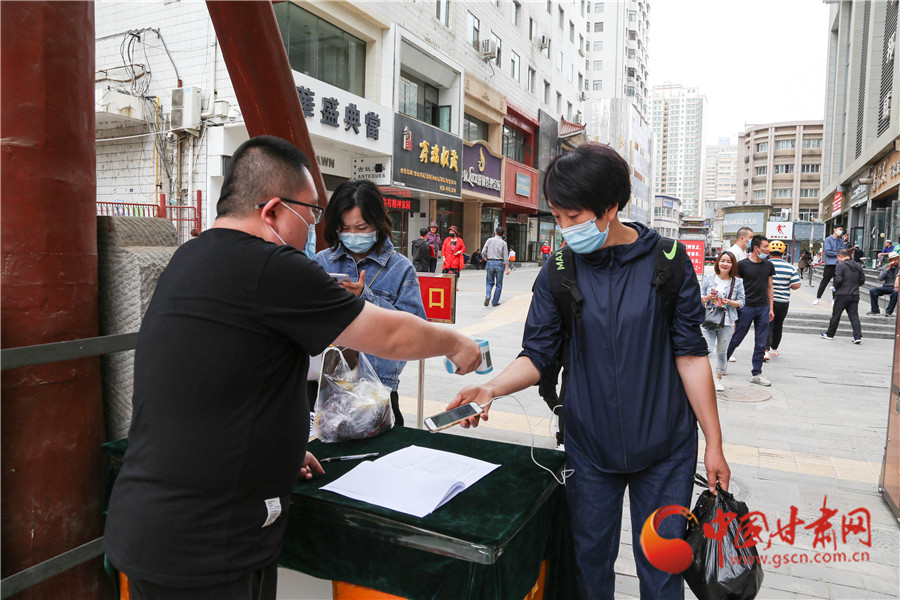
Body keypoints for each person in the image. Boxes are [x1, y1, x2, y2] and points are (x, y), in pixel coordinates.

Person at [102, 136, 482, 600]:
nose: (314, 229)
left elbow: (216, 382)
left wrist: (277, 448)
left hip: (155, 522)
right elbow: (390, 336)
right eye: (311, 214)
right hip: (208, 543)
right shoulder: (271, 266)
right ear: (273, 210)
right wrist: (455, 342)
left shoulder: (191, 256)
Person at [445, 142, 730, 599]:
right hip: (589, 449)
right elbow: (537, 355)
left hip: (666, 448)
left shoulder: (669, 262)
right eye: (557, 217)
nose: (564, 228)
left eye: (573, 216)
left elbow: (691, 356)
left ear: (610, 207)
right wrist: (490, 389)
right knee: (587, 565)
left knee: (662, 570)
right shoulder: (559, 271)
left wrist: (714, 443)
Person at [314, 179, 429, 426]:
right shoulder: (321, 262)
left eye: (361, 227)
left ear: (378, 223)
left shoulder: (400, 269)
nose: (353, 235)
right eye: (345, 228)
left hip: (378, 389)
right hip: (325, 387)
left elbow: (416, 330)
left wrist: (365, 298)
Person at [726, 235, 775, 387]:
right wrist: (733, 306)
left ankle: (757, 373)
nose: (768, 249)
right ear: (756, 248)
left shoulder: (768, 266)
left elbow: (770, 287)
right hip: (745, 307)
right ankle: (722, 363)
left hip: (763, 307)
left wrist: (771, 308)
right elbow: (734, 286)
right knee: (737, 338)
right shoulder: (742, 265)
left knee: (761, 343)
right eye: (765, 246)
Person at [700, 251, 745, 392]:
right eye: (722, 260)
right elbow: (699, 298)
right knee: (706, 351)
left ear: (733, 265)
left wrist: (729, 302)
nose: (725, 264)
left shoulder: (737, 282)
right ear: (718, 262)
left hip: (727, 321)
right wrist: (708, 297)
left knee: (721, 352)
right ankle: (705, 380)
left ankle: (718, 379)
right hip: (708, 319)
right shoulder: (708, 278)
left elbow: (742, 302)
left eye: (729, 262)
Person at [764, 240, 802, 361]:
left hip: (767, 300)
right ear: (783, 253)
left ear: (769, 252)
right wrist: (788, 286)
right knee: (778, 325)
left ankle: (765, 350)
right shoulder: (790, 267)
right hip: (783, 301)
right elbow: (797, 284)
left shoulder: (765, 264)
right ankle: (774, 349)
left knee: (768, 324)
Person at [821, 249, 866, 343]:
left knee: (836, 315)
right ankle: (857, 336)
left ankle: (830, 334)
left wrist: (835, 287)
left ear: (840, 256)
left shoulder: (840, 266)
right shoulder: (858, 265)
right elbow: (862, 280)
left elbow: (838, 280)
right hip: (854, 294)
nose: (838, 260)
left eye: (838, 258)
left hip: (842, 294)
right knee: (854, 316)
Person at [814, 225, 846, 305]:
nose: (841, 231)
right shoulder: (828, 239)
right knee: (825, 281)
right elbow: (828, 252)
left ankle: (834, 299)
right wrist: (839, 254)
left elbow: (844, 251)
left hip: (839, 265)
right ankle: (818, 298)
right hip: (830, 264)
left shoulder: (841, 240)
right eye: (839, 229)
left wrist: (845, 241)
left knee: (837, 282)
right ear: (834, 229)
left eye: (842, 230)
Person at [481, 227, 510, 307]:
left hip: (490, 262)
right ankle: (495, 301)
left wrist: (485, 257)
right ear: (503, 234)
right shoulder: (503, 243)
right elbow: (505, 256)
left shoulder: (489, 240)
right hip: (500, 263)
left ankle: (488, 295)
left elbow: (483, 251)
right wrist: (507, 268)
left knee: (489, 282)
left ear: (495, 232)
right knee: (499, 284)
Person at [867, 251, 899, 317]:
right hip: (887, 286)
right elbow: (880, 278)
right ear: (890, 260)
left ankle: (888, 312)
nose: (895, 261)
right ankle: (875, 310)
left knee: (895, 292)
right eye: (893, 260)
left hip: (897, 287)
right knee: (873, 290)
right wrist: (887, 270)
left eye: (897, 259)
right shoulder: (885, 267)